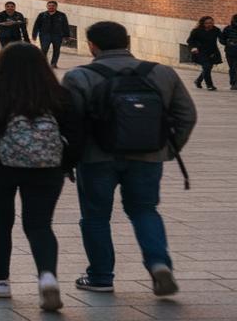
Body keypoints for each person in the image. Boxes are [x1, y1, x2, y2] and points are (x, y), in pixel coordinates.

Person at [61, 21, 197, 296]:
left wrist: (69, 160)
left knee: (95, 217)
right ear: (128, 42)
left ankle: (100, 277)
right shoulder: (162, 73)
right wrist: (167, 149)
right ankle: (159, 264)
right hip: (148, 156)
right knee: (144, 210)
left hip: (96, 157)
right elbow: (187, 115)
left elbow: (69, 123)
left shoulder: (79, 76)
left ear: (92, 45)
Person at [0, 42, 83, 311]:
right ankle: (47, 277)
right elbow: (77, 135)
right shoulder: (59, 96)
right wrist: (67, 163)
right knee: (40, 225)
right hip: (46, 168)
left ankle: (0, 282)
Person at [32, 2, 71, 68]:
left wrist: (67, 35)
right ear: (47, 6)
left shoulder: (62, 15)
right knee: (44, 49)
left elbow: (65, 25)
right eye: (49, 6)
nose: (51, 7)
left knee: (56, 50)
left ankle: (54, 64)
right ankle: (43, 63)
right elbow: (36, 25)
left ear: (56, 7)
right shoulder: (42, 15)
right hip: (45, 35)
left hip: (57, 35)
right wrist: (34, 35)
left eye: (53, 6)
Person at [187, 16, 221, 91]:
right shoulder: (196, 31)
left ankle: (198, 81)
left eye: (211, 23)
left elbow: (222, 39)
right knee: (207, 66)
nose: (209, 25)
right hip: (200, 52)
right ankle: (209, 85)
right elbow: (190, 41)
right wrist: (193, 47)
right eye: (207, 23)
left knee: (208, 68)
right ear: (203, 23)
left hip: (212, 52)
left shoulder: (216, 30)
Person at [222, 14, 237, 90]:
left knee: (234, 67)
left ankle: (234, 83)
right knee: (232, 67)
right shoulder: (227, 29)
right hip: (230, 51)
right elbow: (222, 39)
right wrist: (228, 43)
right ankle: (233, 83)